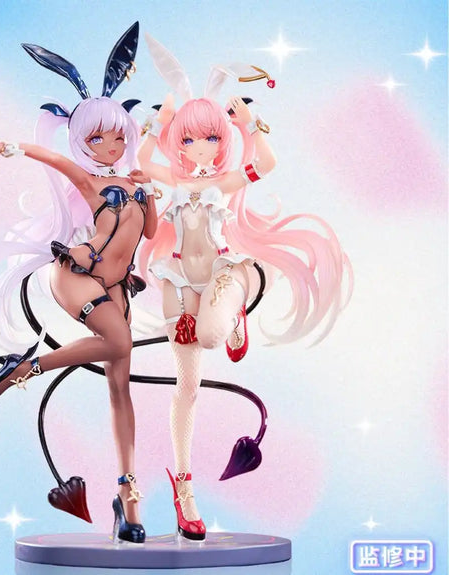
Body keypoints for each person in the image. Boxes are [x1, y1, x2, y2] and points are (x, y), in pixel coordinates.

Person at [138, 38, 351, 541]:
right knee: (187, 386)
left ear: (222, 139)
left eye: (209, 137)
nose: (199, 147)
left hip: (221, 272)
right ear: (178, 142)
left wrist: (250, 124)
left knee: (212, 337)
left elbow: (267, 164)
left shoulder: (228, 181)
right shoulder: (174, 180)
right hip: (178, 281)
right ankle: (184, 489)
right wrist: (156, 119)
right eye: (188, 138)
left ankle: (235, 317)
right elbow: (145, 160)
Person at [0, 23, 156, 544]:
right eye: (97, 138)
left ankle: (128, 499)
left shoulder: (136, 187)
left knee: (120, 388)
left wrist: (150, 191)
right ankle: (25, 369)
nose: (110, 146)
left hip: (117, 288)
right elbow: (55, 160)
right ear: (82, 140)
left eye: (118, 136)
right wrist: (6, 147)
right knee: (119, 343)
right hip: (76, 275)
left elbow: (151, 234)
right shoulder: (91, 183)